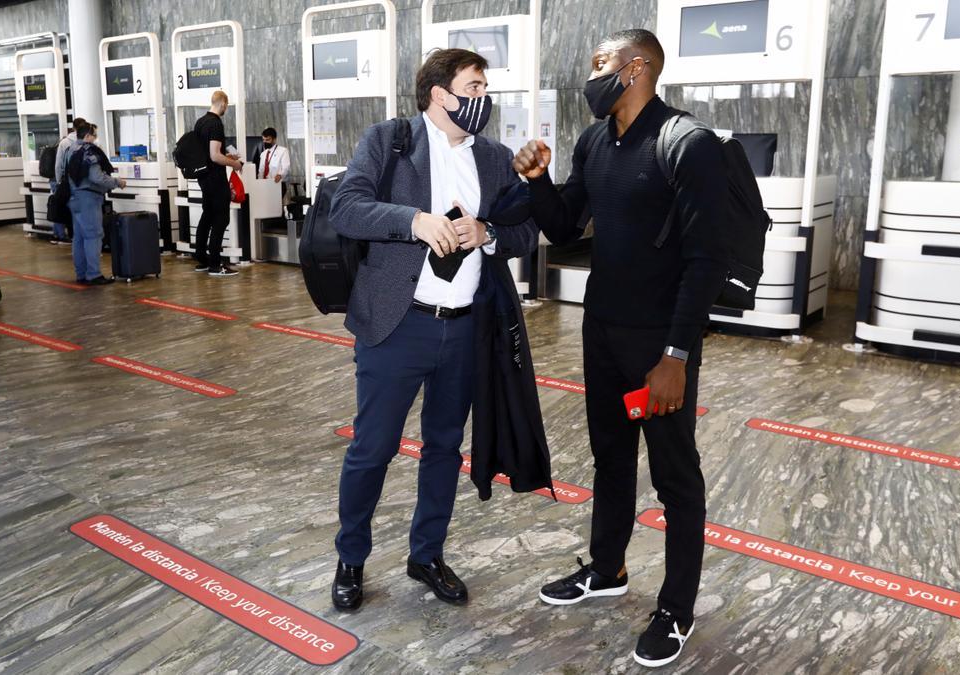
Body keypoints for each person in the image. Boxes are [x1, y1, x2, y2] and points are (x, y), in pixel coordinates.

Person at [513, 29, 727, 668]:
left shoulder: (687, 144)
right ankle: (607, 569)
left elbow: (704, 261)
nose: (590, 74)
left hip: (657, 343)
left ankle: (677, 608)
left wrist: (677, 357)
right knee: (610, 459)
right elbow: (562, 225)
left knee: (674, 476)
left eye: (599, 62)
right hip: (601, 330)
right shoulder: (596, 141)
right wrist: (537, 179)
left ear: (636, 68)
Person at [326, 48, 539, 613]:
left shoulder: (492, 158)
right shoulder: (390, 139)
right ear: (440, 95)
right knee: (373, 449)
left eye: (485, 87)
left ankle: (427, 554)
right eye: (474, 87)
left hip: (466, 329)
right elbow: (346, 209)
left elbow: (525, 235)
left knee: (444, 448)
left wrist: (486, 231)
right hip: (398, 327)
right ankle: (351, 558)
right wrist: (413, 222)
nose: (483, 99)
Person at [64, 123, 125, 285]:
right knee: (93, 236)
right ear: (88, 136)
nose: (95, 139)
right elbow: (96, 177)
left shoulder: (70, 149)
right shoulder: (89, 152)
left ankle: (81, 274)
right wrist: (117, 182)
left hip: (73, 197)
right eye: (94, 135)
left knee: (79, 238)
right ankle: (93, 274)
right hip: (88, 198)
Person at [192, 90, 243, 277]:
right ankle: (215, 264)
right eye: (226, 106)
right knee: (221, 219)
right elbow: (214, 156)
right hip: (215, 178)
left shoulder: (200, 122)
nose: (225, 109)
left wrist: (226, 156)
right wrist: (234, 163)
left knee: (207, 216)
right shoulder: (215, 123)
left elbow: (207, 153)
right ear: (223, 104)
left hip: (203, 178)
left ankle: (202, 260)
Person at [50, 117, 89, 245]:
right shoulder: (87, 143)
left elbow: (58, 164)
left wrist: (59, 180)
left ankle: (61, 235)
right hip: (81, 183)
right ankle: (76, 235)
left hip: (66, 181)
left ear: (73, 127)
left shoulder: (65, 142)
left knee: (61, 206)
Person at [252, 127, 290, 191]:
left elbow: (286, 167)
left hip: (277, 183)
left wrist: (280, 175)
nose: (265, 142)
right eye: (263, 140)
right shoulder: (263, 154)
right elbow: (261, 171)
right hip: (265, 185)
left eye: (267, 140)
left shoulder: (283, 151)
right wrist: (259, 183)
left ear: (274, 139)